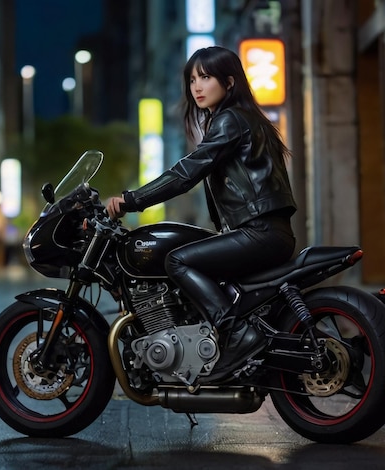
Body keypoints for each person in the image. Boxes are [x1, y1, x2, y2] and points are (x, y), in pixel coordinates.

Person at [106, 46, 297, 375]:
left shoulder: (230, 120)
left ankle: (235, 333)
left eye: (206, 77)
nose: (196, 86)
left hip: (259, 232)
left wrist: (130, 200)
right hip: (267, 231)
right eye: (192, 79)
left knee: (177, 259)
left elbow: (185, 175)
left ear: (229, 82)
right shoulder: (247, 119)